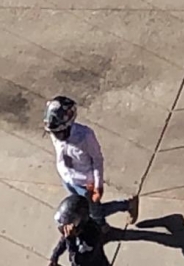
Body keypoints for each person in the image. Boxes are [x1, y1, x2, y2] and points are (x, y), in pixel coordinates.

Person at [44, 96, 138, 231]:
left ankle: (125, 207)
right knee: (80, 209)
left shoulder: (85, 136)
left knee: (95, 211)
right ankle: (100, 224)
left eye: (59, 132)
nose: (56, 136)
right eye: (53, 133)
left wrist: (97, 186)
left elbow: (97, 159)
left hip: (85, 184)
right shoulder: (54, 133)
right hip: (68, 179)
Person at [48, 194, 153, 266]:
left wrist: (71, 241)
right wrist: (55, 256)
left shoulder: (91, 237)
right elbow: (64, 239)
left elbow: (80, 263)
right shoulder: (76, 231)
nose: (67, 230)